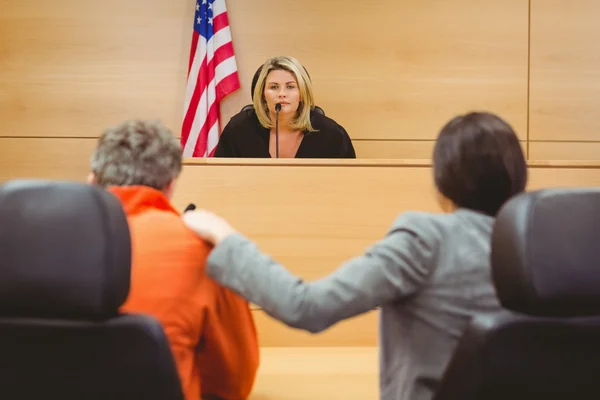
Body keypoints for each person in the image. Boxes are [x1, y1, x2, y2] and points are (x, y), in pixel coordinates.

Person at [182, 112, 528, 400]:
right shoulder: (538, 244)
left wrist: (224, 236)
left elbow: (306, 306)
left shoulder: (426, 239)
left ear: (442, 181)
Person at [88, 120, 259, 400]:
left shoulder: (33, 244)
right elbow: (233, 380)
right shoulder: (204, 250)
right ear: (170, 186)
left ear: (93, 181)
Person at [214, 56, 356, 158]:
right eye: (274, 87)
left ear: (302, 94)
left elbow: (350, 182)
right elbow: (219, 178)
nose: (282, 94)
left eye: (290, 87)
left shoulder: (331, 134)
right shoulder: (239, 130)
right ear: (263, 94)